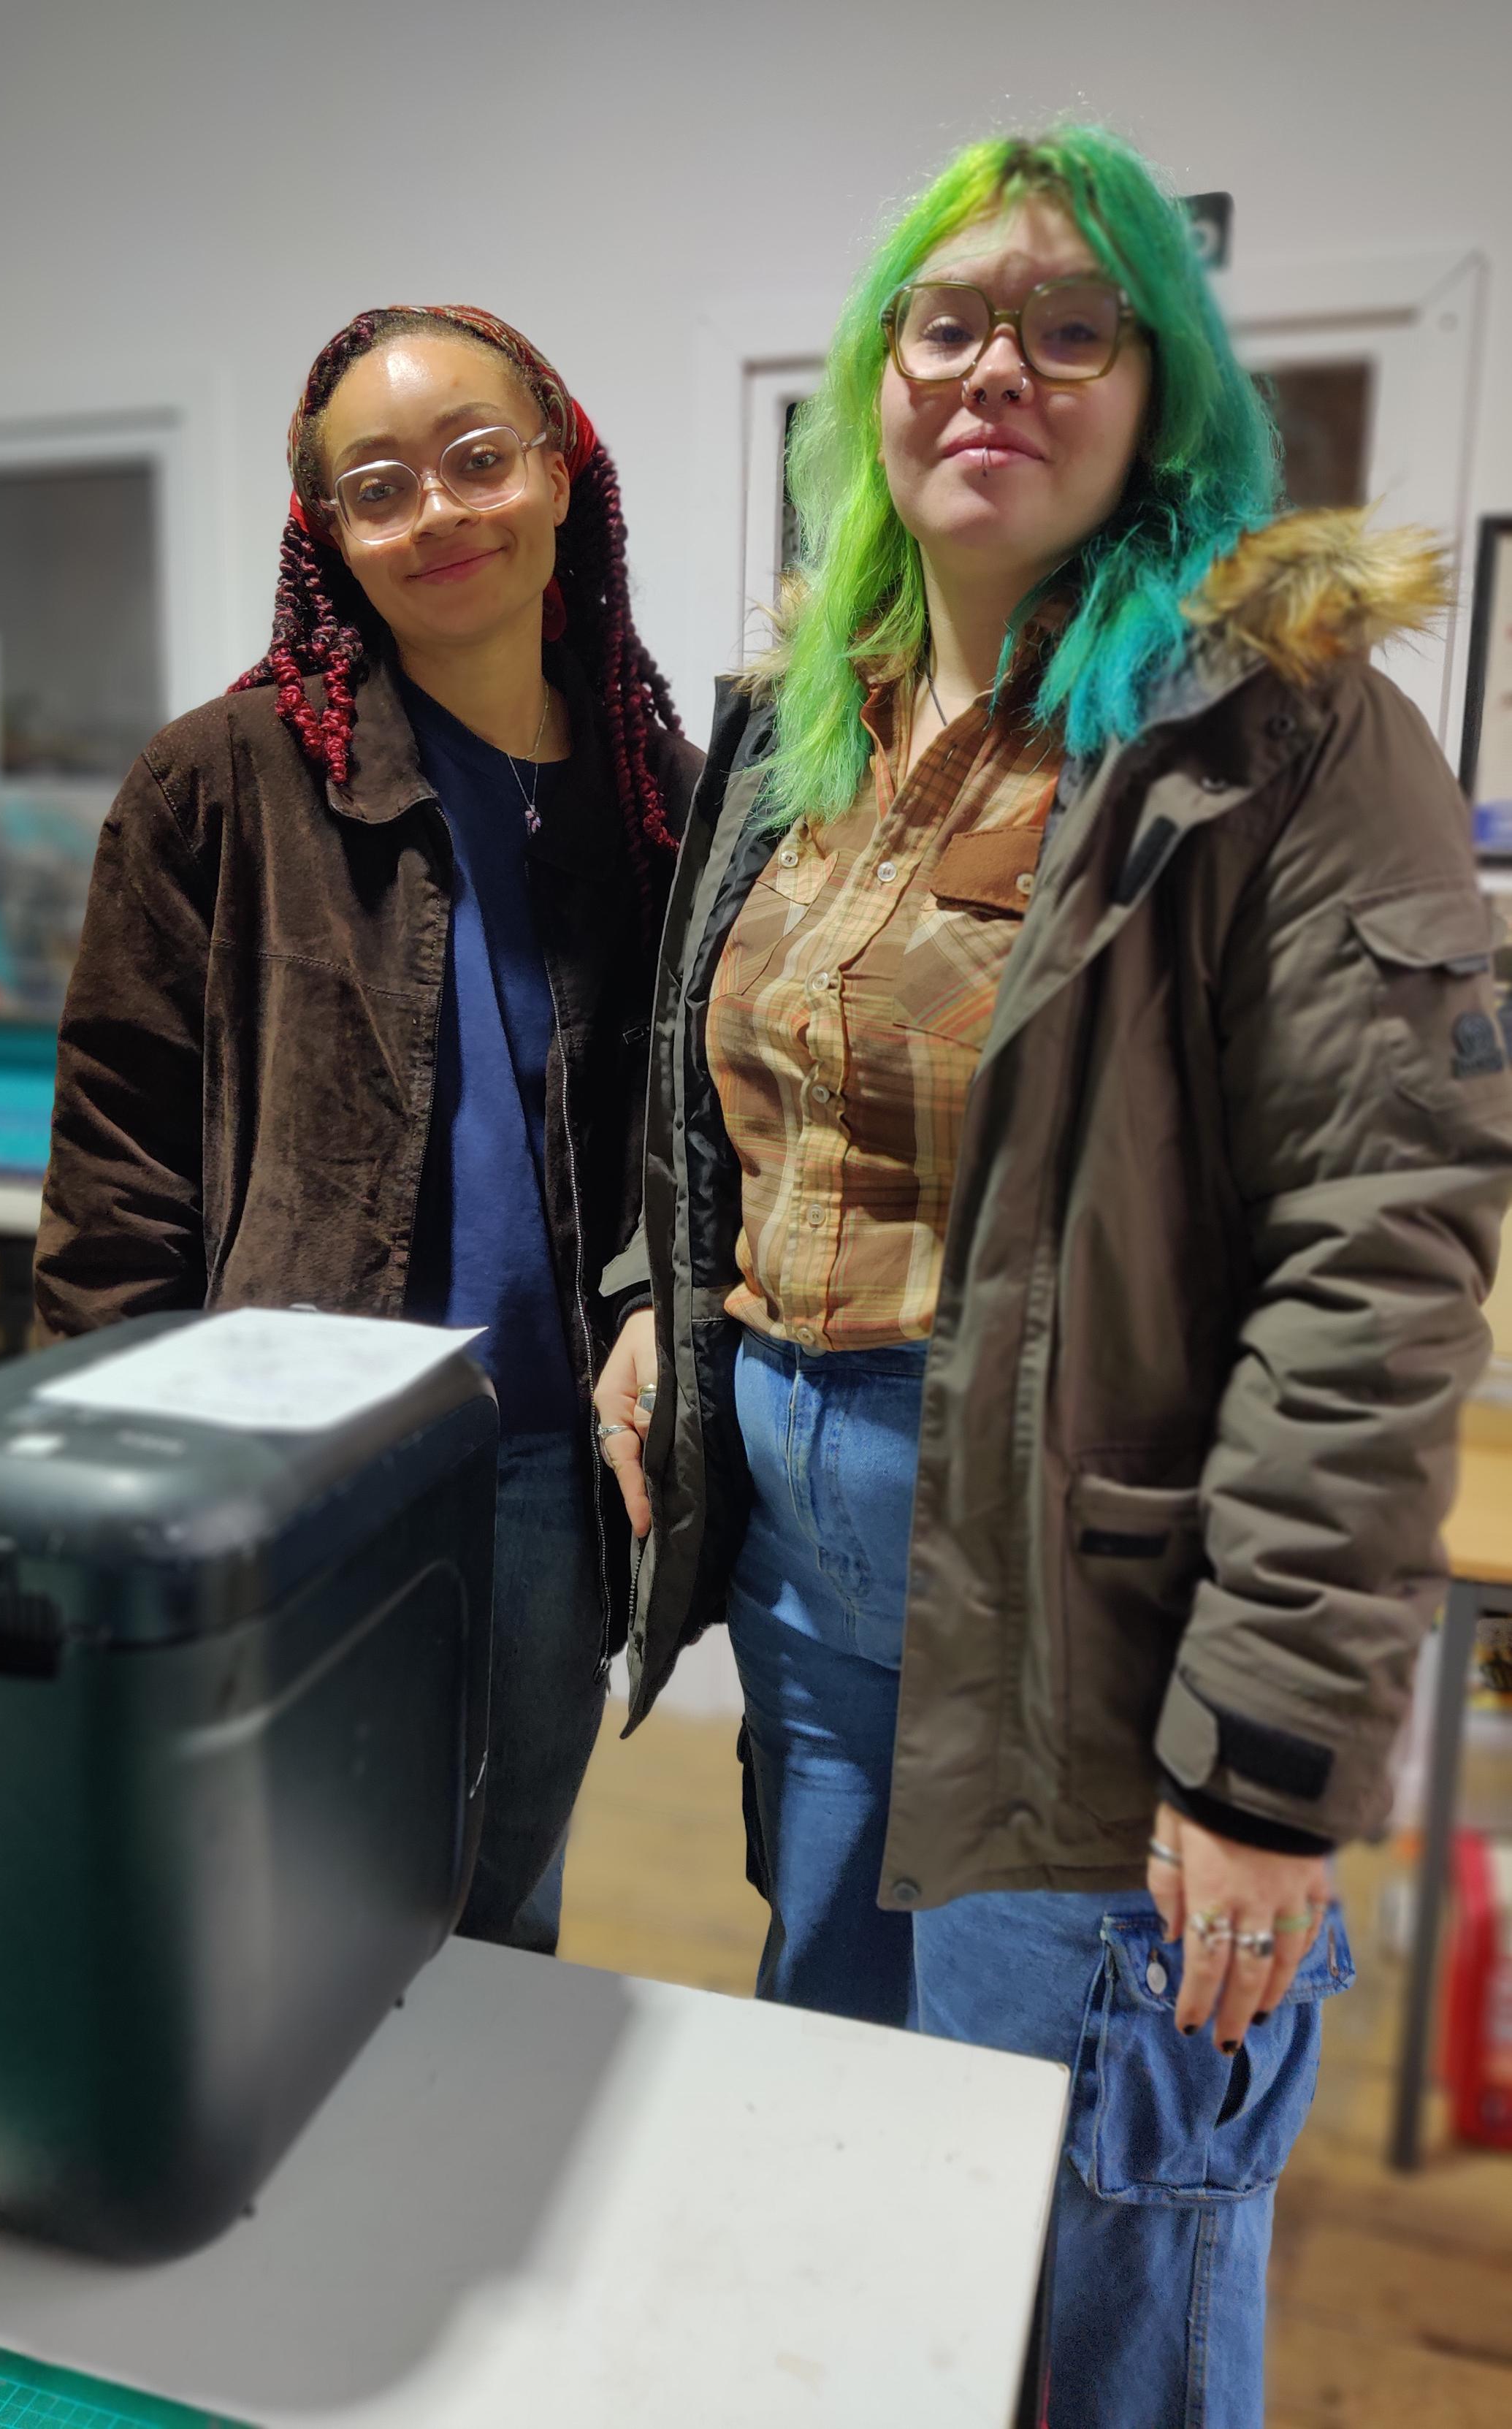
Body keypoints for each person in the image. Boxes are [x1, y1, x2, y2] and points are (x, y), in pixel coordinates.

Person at [594, 127, 1512, 2425]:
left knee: (1096, 2199)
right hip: (808, 1575)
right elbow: (718, 1094)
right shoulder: (812, 715)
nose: (995, 362)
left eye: (1066, 322)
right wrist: (647, 1298)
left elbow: (1375, 1258)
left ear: (1157, 392)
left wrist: (1267, 1765)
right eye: (945, 316)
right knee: (856, 2126)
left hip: (1095, 1604)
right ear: (872, 378)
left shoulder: (1273, 729)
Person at [37, 305, 697, 1954]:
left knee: (499, 1911)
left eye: (478, 461)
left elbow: (689, 1144)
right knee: (281, 1909)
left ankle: (468, 2205)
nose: (438, 515)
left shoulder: (659, 793)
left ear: (560, 469)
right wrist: (115, 1494)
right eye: (379, 486)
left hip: (553, 1470)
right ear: (325, 530)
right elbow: (116, 1172)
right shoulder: (221, 782)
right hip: (297, 1466)